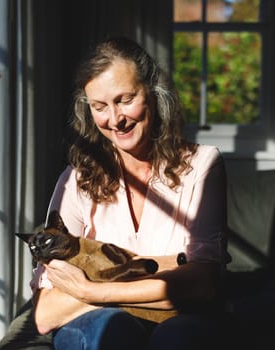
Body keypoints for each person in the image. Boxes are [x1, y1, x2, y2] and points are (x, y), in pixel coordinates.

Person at [30, 36, 230, 350]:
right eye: (99, 106)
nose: (115, 120)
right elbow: (45, 312)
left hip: (178, 327)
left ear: (154, 93)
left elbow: (202, 285)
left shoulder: (203, 165)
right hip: (98, 330)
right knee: (111, 326)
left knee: (177, 337)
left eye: (125, 99)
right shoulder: (76, 180)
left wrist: (90, 289)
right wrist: (167, 265)